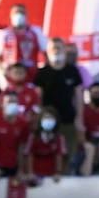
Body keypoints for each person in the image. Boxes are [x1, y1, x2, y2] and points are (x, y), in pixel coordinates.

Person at [33, 38, 85, 175]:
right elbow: (38, 97)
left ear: (64, 50)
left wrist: (79, 119)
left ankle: (65, 180)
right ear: (48, 51)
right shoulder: (42, 72)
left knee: (68, 153)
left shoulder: (72, 70)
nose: (56, 50)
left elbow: (79, 96)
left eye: (59, 47)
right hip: (48, 122)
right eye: (53, 48)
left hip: (68, 120)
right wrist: (38, 120)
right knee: (49, 153)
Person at [0, 92, 32, 181]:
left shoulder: (23, 123)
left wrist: (20, 170)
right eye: (9, 102)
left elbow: (21, 148)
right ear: (2, 104)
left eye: (15, 102)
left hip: (11, 166)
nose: (12, 105)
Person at [0, 3, 47, 80]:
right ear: (11, 15)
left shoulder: (36, 31)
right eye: (16, 13)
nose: (19, 15)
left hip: (31, 76)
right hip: (10, 77)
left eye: (21, 13)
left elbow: (46, 51)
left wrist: (43, 72)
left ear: (26, 15)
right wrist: (3, 71)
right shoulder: (4, 34)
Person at [26, 106, 67, 184]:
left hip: (52, 177)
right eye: (46, 118)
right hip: (35, 176)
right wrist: (30, 173)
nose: (48, 120)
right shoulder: (33, 137)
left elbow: (60, 156)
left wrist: (58, 173)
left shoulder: (59, 138)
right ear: (40, 120)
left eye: (51, 118)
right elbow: (29, 155)